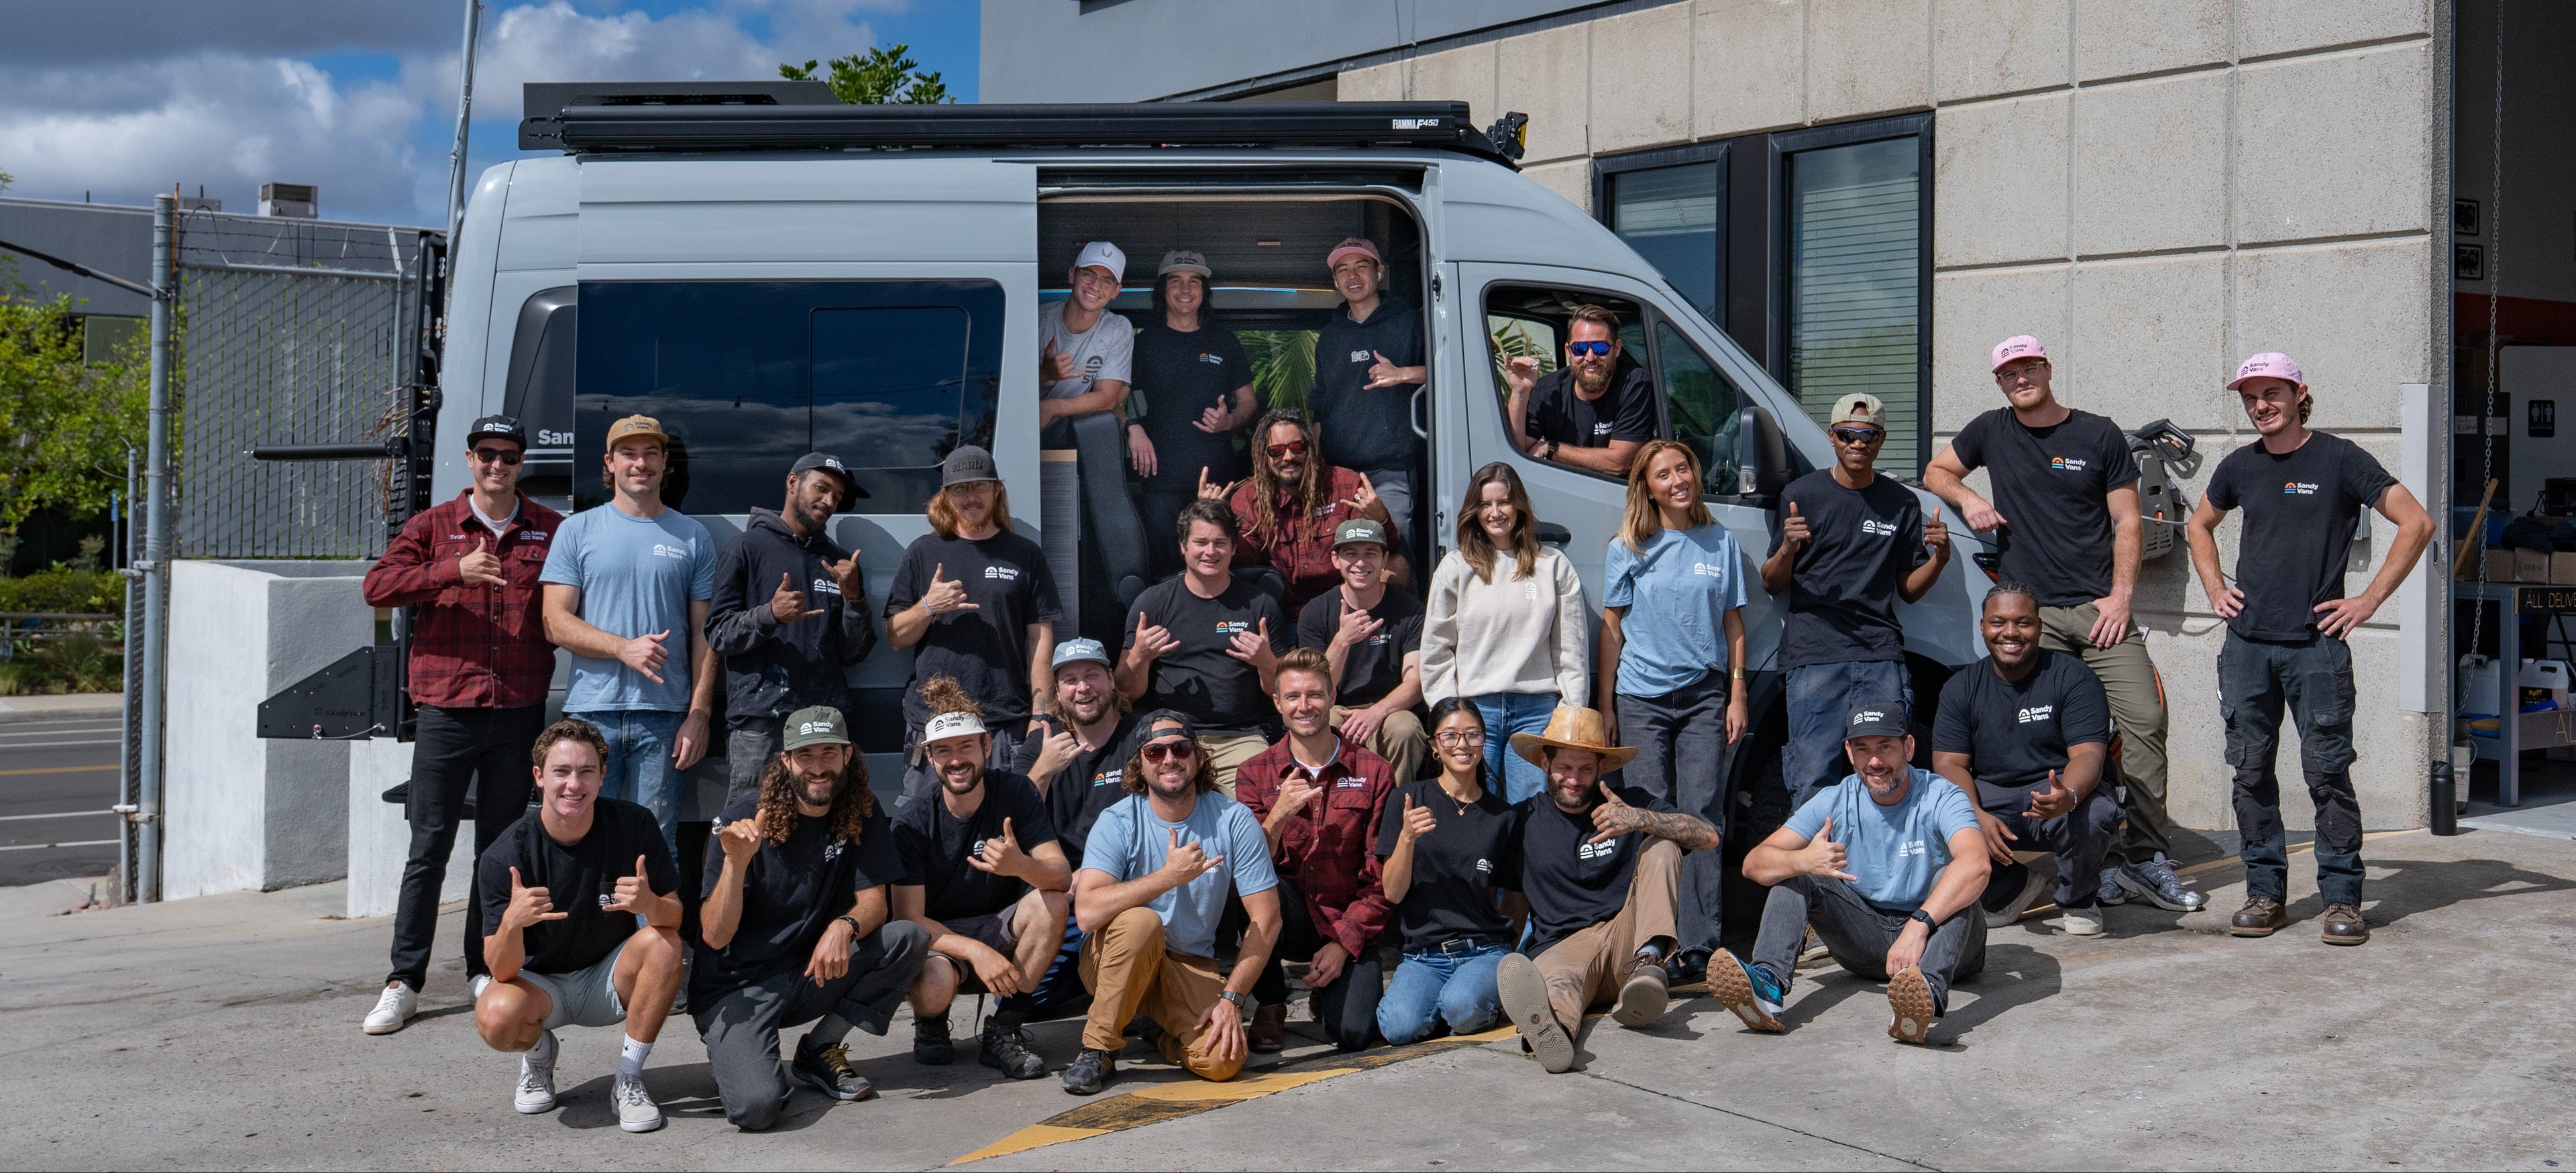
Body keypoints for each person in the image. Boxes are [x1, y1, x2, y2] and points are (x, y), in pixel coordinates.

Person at [1924, 335, 2197, 913]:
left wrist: (2122, 598)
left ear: (2047, 368)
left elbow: (2128, 522)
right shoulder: (1992, 429)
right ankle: (2048, 848)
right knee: (2028, 726)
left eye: (2029, 367)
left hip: (2100, 608)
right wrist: (1968, 498)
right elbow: (1935, 470)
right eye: (2009, 372)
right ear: (2000, 382)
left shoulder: (2097, 433)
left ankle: (2144, 858)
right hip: (2031, 615)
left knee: (2145, 719)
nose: (2020, 378)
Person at [2187, 352, 2433, 946]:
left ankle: (2343, 901)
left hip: (2315, 649)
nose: (2260, 405)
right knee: (2250, 773)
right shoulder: (2238, 466)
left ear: (2300, 393)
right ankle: (2265, 893)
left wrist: (2369, 600)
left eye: (2272, 393)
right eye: (2250, 397)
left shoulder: (2340, 458)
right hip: (2246, 648)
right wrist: (2216, 589)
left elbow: (2417, 522)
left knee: (2326, 774)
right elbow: (2199, 525)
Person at [360, 415, 564, 1035]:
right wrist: (452, 571)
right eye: (486, 454)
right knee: (429, 846)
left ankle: (484, 966)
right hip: (447, 709)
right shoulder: (433, 527)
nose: (497, 465)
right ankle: (404, 979)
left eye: (508, 456)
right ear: (469, 459)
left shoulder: (550, 530)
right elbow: (377, 587)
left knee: (500, 852)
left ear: (522, 462)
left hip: (518, 709)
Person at [693, 706, 929, 1129]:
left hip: (810, 971)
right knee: (757, 1108)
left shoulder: (861, 808)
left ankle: (819, 1049)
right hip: (739, 987)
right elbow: (713, 935)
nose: (818, 767)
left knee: (907, 937)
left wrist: (846, 925)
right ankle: (739, 1057)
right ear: (786, 761)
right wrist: (736, 863)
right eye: (806, 756)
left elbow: (875, 902)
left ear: (847, 756)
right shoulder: (741, 821)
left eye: (828, 753)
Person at [1711, 703, 1990, 1046]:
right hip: (1866, 942)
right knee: (1795, 870)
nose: (1875, 761)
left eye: (1885, 747)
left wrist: (1919, 926)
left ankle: (1924, 994)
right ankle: (1766, 986)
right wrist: (1805, 861)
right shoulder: (1835, 798)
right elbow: (1754, 863)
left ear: (1909, 747)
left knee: (1955, 876)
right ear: (1849, 752)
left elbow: (1977, 863)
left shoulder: (1941, 795)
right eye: (1863, 749)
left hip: (1944, 944)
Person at [472, 719, 684, 1133]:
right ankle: (537, 1055)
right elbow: (501, 970)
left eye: (587, 771)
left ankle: (629, 1077)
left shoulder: (634, 825)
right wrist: (513, 922)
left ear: (603, 776)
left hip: (606, 977)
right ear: (538, 777)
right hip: (539, 986)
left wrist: (649, 903)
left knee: (665, 944)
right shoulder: (504, 856)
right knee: (496, 1018)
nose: (574, 784)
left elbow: (674, 917)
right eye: (561, 772)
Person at [1064, 711, 1284, 1095]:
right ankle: (1097, 1048)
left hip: (1188, 962)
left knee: (1224, 1062)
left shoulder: (1234, 819)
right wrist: (1167, 878)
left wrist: (1232, 1000)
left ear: (1197, 757)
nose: (1170, 759)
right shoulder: (1117, 820)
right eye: (1155, 751)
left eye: (1181, 748)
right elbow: (1087, 914)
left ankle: (1160, 1032)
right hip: (1114, 959)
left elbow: (1267, 920)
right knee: (1141, 924)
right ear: (1139, 763)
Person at [1491, 707, 1716, 1073]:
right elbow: (1513, 899)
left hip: (1627, 939)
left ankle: (1649, 967)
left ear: (1601, 769)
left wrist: (1641, 819)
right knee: (1558, 985)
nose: (1575, 780)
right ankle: (1555, 1033)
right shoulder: (1523, 820)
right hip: (1563, 946)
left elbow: (1708, 837)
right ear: (1545, 764)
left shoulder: (1627, 803)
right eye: (1565, 768)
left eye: (1585, 769)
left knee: (1663, 845)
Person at [1597, 439, 1748, 983]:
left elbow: (1734, 625)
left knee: (1704, 814)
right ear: (1647, 487)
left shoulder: (1720, 541)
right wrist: (1606, 702)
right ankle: (1653, 941)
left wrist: (1737, 694)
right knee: (1652, 815)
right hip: (1640, 699)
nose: (1678, 479)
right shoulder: (1629, 547)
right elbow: (1611, 628)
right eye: (1664, 474)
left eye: (1683, 468)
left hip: (1705, 695)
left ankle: (1701, 946)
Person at [539, 414, 718, 857]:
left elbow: (706, 635)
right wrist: (623, 647)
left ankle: (652, 930)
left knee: (655, 846)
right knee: (581, 841)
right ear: (610, 463)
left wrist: (699, 714)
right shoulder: (576, 531)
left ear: (664, 465)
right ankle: (594, 930)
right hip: (589, 715)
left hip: (663, 718)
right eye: (629, 453)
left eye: (651, 453)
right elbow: (554, 622)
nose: (641, 463)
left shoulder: (693, 537)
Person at [1762, 394, 1949, 806]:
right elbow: (1771, 583)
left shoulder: (1902, 502)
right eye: (1848, 434)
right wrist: (1788, 549)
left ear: (1881, 441)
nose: (1858, 444)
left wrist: (1940, 560)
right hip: (1813, 655)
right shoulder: (1801, 494)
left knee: (1888, 778)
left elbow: (1909, 591)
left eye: (1869, 435)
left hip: (1879, 655)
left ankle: (1885, 869)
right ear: (1832, 437)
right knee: (1813, 780)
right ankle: (1816, 872)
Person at [892, 679, 1073, 1080]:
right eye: (944, 751)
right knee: (935, 979)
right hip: (944, 939)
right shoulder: (911, 821)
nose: (956, 760)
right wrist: (976, 952)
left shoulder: (1017, 792)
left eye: (966, 747)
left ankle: (1005, 1027)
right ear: (930, 758)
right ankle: (932, 1022)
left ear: (987, 748)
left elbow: (1060, 877)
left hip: (1002, 923)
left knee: (1052, 903)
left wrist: (1020, 866)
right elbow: (909, 920)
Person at [1931, 584, 2123, 938]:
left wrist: (2068, 794)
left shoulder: (2074, 677)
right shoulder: (1961, 687)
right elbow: (1949, 765)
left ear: (2040, 626)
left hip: (2055, 790)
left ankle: (2079, 899)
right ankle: (2012, 890)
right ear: (1983, 626)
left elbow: (2088, 755)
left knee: (2094, 812)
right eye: (1998, 622)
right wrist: (1972, 811)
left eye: (2023, 623)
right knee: (1934, 813)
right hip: (1995, 798)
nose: (2010, 633)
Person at [1231, 648, 1397, 1052]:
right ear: (1277, 703)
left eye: (1314, 695)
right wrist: (1279, 816)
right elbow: (1247, 868)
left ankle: (1331, 987)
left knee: (1353, 1033)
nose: (1304, 706)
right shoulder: (1255, 772)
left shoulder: (1374, 771)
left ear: (1332, 696)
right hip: (1287, 917)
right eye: (1293, 696)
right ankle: (1271, 1002)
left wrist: (1344, 943)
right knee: (1244, 880)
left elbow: (1382, 874)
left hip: (1347, 918)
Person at [885, 445, 1063, 809]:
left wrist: (1042, 713)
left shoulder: (1025, 554)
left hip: (1003, 724)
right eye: (961, 489)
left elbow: (1040, 639)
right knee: (924, 831)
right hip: (933, 725)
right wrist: (928, 607)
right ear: (947, 496)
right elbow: (895, 637)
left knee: (1007, 829)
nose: (971, 497)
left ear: (997, 490)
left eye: (979, 486)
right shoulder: (922, 552)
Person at [706, 453, 875, 812]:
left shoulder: (839, 560)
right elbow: (718, 634)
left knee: (825, 828)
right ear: (793, 483)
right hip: (762, 724)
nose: (829, 502)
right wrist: (770, 615)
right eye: (822, 488)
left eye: (836, 496)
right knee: (749, 826)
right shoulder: (746, 548)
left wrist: (855, 598)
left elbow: (853, 654)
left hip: (824, 724)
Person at [1421, 463, 1587, 803]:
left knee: (1532, 810)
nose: (1495, 513)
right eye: (1485, 504)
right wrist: (1450, 718)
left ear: (1520, 507)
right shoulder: (1455, 568)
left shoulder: (1553, 565)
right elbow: (1436, 650)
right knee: (1476, 808)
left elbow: (1571, 649)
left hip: (1538, 710)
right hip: (1474, 711)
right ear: (1474, 511)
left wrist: (1571, 713)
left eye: (1504, 503)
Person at [1373, 698, 1523, 1046]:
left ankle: (1476, 997)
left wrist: (1506, 946)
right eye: (1451, 735)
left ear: (1485, 743)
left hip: (1485, 949)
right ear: (1435, 746)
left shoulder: (1504, 816)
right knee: (1398, 1028)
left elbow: (1516, 895)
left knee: (1462, 1008)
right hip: (1423, 955)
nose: (1462, 744)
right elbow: (1392, 893)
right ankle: (1449, 1003)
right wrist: (1407, 838)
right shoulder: (1407, 800)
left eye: (1473, 735)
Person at [1119, 500, 1291, 795]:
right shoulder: (1152, 604)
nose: (1210, 552)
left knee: (1254, 807)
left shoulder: (1260, 605)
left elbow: (1283, 691)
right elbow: (1125, 692)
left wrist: (1265, 661)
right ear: (1183, 547)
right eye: (1200, 542)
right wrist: (1139, 657)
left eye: (1220, 543)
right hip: (1170, 738)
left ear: (1234, 548)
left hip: (1241, 737)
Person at [1126, 249, 1256, 579]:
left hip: (1217, 479)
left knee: (1216, 563)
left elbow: (1249, 403)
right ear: (1162, 290)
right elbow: (1114, 399)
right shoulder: (1143, 345)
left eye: (1194, 281)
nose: (1185, 289)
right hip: (1160, 481)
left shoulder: (1225, 342)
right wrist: (1134, 428)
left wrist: (1229, 421)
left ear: (1204, 291)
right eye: (1176, 281)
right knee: (1167, 569)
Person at [1218, 409, 1404, 614]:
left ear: (1311, 448)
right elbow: (1244, 559)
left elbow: (1385, 550)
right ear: (1264, 456)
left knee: (1397, 567)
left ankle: (1386, 639)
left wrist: (1379, 519)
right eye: (1277, 451)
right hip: (1282, 611)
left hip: (1345, 605)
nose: (1289, 457)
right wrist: (1219, 525)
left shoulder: (1345, 483)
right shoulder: (1249, 496)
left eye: (1298, 447)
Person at [1307, 236, 1427, 539]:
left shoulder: (1412, 323)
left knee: (1392, 551)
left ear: (1380, 272)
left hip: (1391, 471)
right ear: (1335, 281)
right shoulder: (1330, 337)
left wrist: (1402, 374)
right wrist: (1319, 465)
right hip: (1338, 473)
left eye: (1362, 266)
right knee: (1344, 560)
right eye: (1343, 270)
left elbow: (1453, 372)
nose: (1353, 276)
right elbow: (1321, 404)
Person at [1295, 518, 1428, 784]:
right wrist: (1342, 640)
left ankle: (1394, 808)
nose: (1360, 563)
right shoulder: (1315, 612)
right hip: (1337, 705)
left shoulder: (1410, 610)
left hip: (1390, 709)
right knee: (1323, 720)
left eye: (1370, 553)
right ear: (1336, 560)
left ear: (1384, 559)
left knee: (1406, 728)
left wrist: (1377, 712)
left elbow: (1415, 683)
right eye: (1350, 553)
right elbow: (1314, 688)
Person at [1015, 638, 1151, 862]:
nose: (1083, 688)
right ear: (1057, 693)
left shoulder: (1143, 736)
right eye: (1070, 680)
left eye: (1092, 676)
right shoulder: (1040, 743)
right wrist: (1043, 770)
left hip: (1127, 869)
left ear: (1111, 679)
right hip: (1058, 878)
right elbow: (1017, 821)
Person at [1503, 304, 1658, 475]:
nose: (1590, 357)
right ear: (1568, 351)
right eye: (1580, 349)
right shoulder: (1548, 390)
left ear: (1617, 349)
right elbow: (1516, 449)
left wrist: (1552, 448)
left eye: (1600, 348)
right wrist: (1520, 392)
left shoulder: (1634, 383)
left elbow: (1620, 462)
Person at [1038, 239, 1134, 447]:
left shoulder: (1118, 328)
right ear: (1072, 274)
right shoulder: (1038, 320)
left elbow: (1107, 398)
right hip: (1016, 432)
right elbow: (1000, 388)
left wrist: (1051, 407)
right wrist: (1045, 373)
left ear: (1116, 291)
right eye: (1088, 274)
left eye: (1107, 281)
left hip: (1068, 444)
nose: (1095, 286)